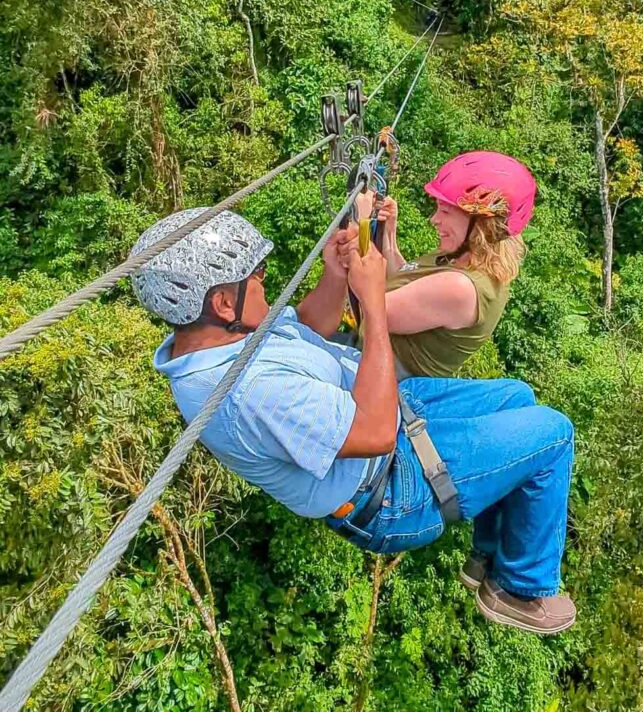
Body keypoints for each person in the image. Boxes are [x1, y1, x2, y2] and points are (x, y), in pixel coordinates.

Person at [129, 207, 576, 634]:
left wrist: (336, 276)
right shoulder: (250, 391)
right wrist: (372, 302)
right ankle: (518, 591)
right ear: (223, 302)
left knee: (518, 397)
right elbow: (375, 434)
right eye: (257, 279)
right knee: (553, 434)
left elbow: (304, 327)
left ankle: (489, 556)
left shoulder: (212, 337)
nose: (266, 285)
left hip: (390, 407)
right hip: (392, 482)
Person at [356, 151, 537, 379]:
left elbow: (370, 311)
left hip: (377, 379)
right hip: (369, 362)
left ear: (482, 224)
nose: (435, 219)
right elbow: (407, 282)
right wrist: (389, 233)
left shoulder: (462, 287)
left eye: (445, 211)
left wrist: (360, 225)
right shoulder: (462, 256)